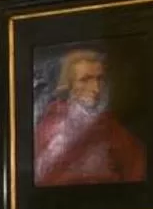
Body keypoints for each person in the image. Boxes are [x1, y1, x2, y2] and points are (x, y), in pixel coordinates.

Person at [33, 47, 146, 186]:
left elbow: (136, 168)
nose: (96, 88)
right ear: (69, 84)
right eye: (85, 80)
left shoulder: (109, 124)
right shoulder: (51, 125)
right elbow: (42, 175)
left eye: (99, 79)